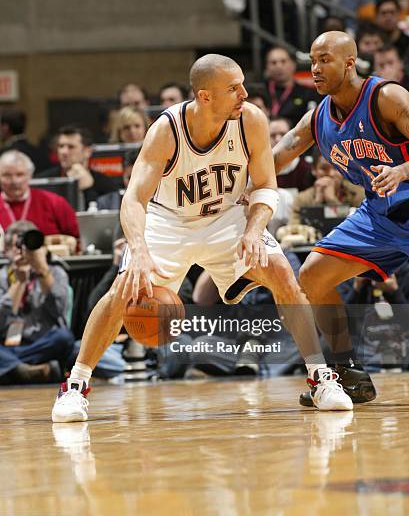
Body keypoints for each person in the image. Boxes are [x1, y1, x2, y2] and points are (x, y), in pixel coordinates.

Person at [52, 53, 353, 422]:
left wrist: (256, 231)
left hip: (225, 217)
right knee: (124, 289)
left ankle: (320, 377)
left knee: (281, 272)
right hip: (168, 221)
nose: (244, 93)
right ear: (206, 96)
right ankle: (76, 386)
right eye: (233, 88)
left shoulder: (251, 121)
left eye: (243, 83)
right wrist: (139, 248)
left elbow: (265, 187)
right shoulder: (167, 130)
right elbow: (133, 199)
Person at [272, 30, 409, 407]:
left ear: (350, 63)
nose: (315, 69)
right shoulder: (317, 119)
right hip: (381, 215)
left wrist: (402, 170)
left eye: (324, 60)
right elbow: (275, 160)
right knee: (313, 275)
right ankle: (347, 370)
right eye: (312, 62)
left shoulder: (387, 97)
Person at [0, 220, 74, 385]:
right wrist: (19, 283)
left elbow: (59, 314)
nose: (23, 251)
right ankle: (29, 370)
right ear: (6, 251)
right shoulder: (2, 277)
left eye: (27, 246)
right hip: (8, 346)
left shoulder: (56, 272)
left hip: (44, 343)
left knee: (64, 337)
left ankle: (13, 369)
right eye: (17, 246)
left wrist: (42, 271)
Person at [0, 150, 79, 238]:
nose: (14, 181)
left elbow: (79, 237)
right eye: (7, 175)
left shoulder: (54, 202)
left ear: (30, 176)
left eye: (20, 175)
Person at [38, 125, 120, 208]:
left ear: (88, 151)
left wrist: (88, 189)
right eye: (61, 146)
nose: (64, 151)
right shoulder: (42, 181)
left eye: (71, 147)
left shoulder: (106, 184)